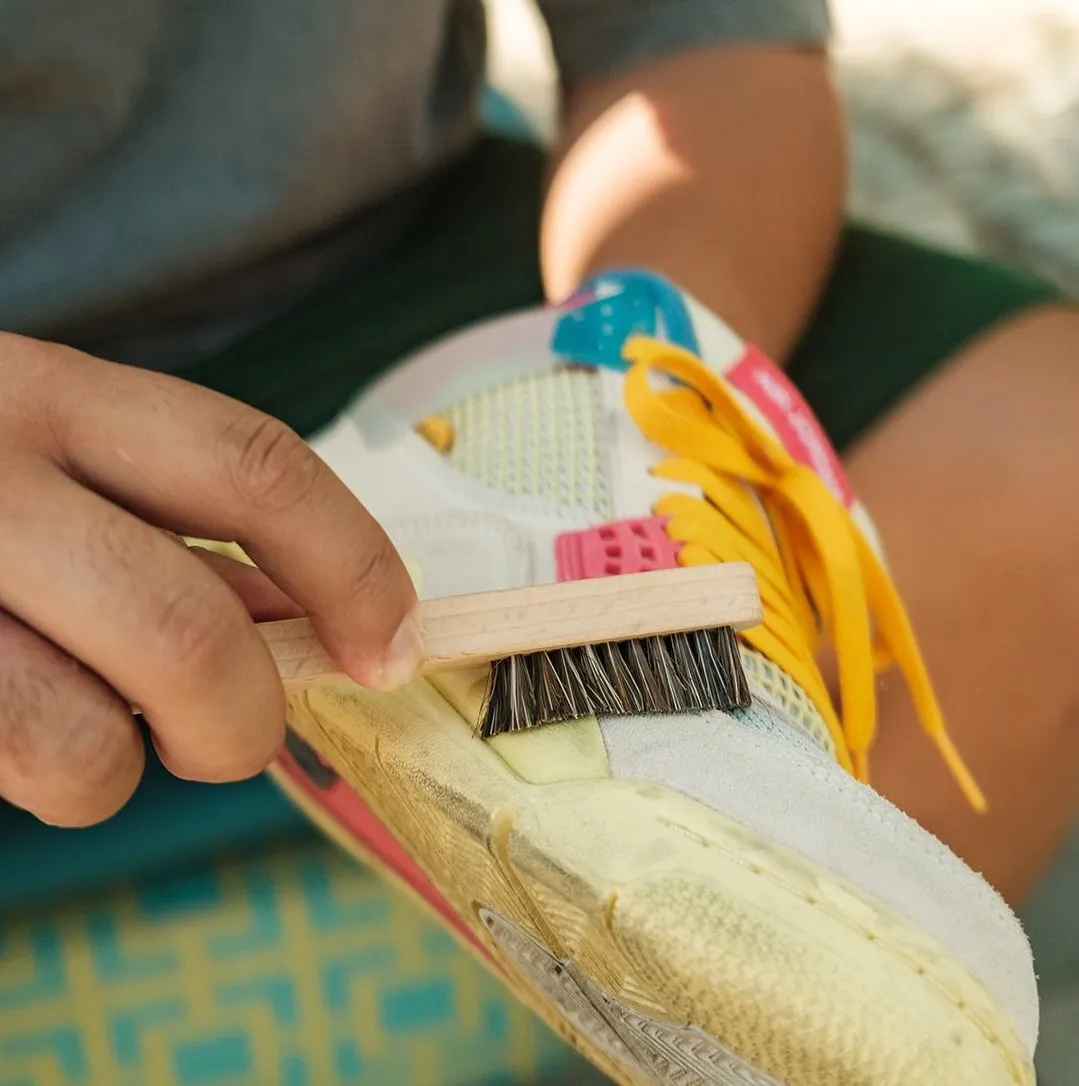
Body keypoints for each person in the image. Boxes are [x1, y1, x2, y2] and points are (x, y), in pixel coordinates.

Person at [0, 0, 1074, 1082]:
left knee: (1042, 458)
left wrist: (619, 390)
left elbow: (696, 42)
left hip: (385, 256)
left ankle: (526, 474)